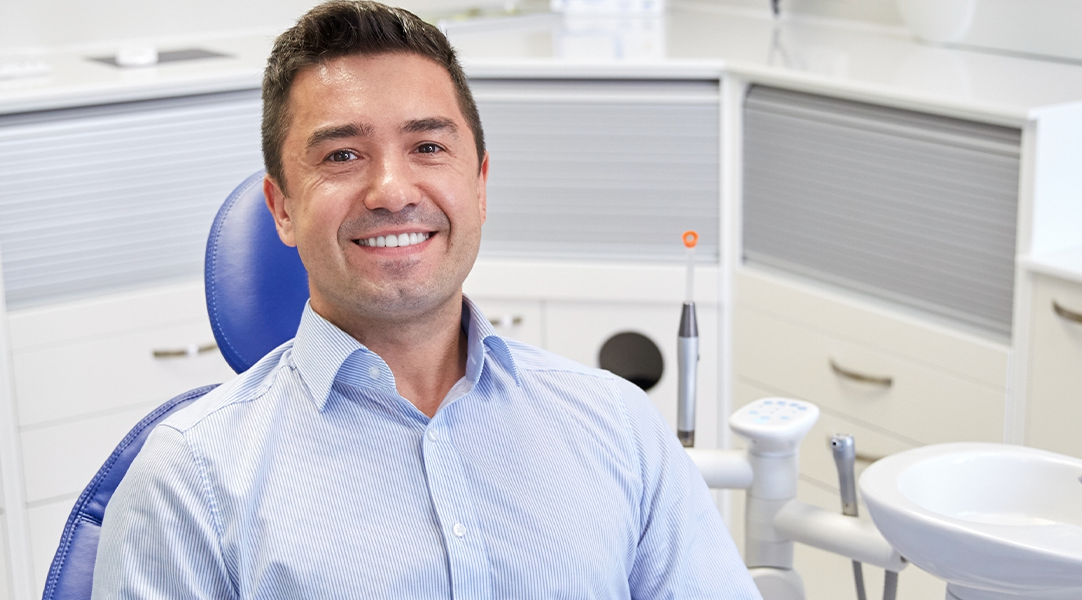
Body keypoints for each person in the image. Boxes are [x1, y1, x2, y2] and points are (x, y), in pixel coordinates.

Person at [91, 2, 758, 598]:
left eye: (428, 146)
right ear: (283, 209)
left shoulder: (618, 427)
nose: (391, 190)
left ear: (480, 185)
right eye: (343, 156)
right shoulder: (190, 482)